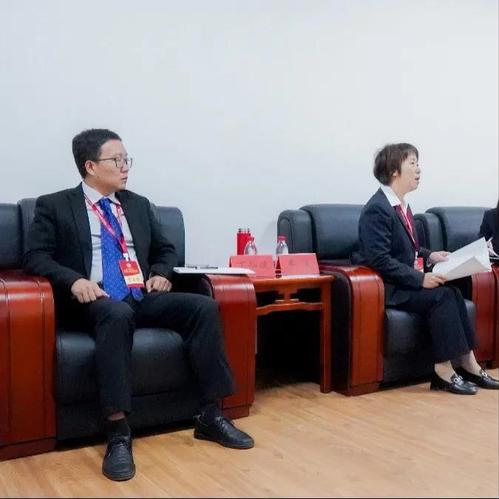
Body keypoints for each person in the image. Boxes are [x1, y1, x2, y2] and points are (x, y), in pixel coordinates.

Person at [23, 128, 254, 482]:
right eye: (116, 160)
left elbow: (166, 250)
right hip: (93, 298)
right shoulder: (54, 205)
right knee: (116, 314)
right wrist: (74, 280)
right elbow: (35, 256)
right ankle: (118, 431)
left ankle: (210, 414)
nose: (125, 166)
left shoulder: (138, 205)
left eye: (127, 159)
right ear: (90, 166)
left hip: (138, 294)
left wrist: (161, 272)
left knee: (203, 307)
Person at [352, 143, 499, 395]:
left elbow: (408, 248)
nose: (419, 170)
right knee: (442, 297)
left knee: (453, 292)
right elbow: (379, 259)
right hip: (389, 288)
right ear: (394, 170)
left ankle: (469, 364)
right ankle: (443, 371)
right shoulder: (377, 209)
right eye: (412, 163)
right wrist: (420, 279)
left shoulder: (402, 206)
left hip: (404, 282)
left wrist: (430, 254)